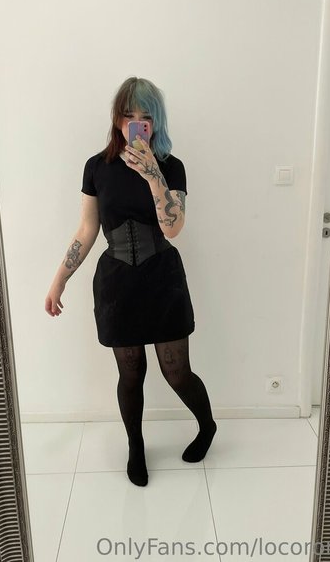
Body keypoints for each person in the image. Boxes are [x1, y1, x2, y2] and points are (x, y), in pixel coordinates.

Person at [45, 77, 217, 487]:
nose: (136, 123)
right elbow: (87, 230)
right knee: (131, 373)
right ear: (117, 118)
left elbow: (173, 228)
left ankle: (207, 426)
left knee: (176, 372)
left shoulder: (172, 166)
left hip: (162, 280)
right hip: (117, 284)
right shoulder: (96, 167)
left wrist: (154, 175)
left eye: (145, 116)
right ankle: (135, 446)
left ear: (156, 121)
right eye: (128, 115)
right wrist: (59, 281)